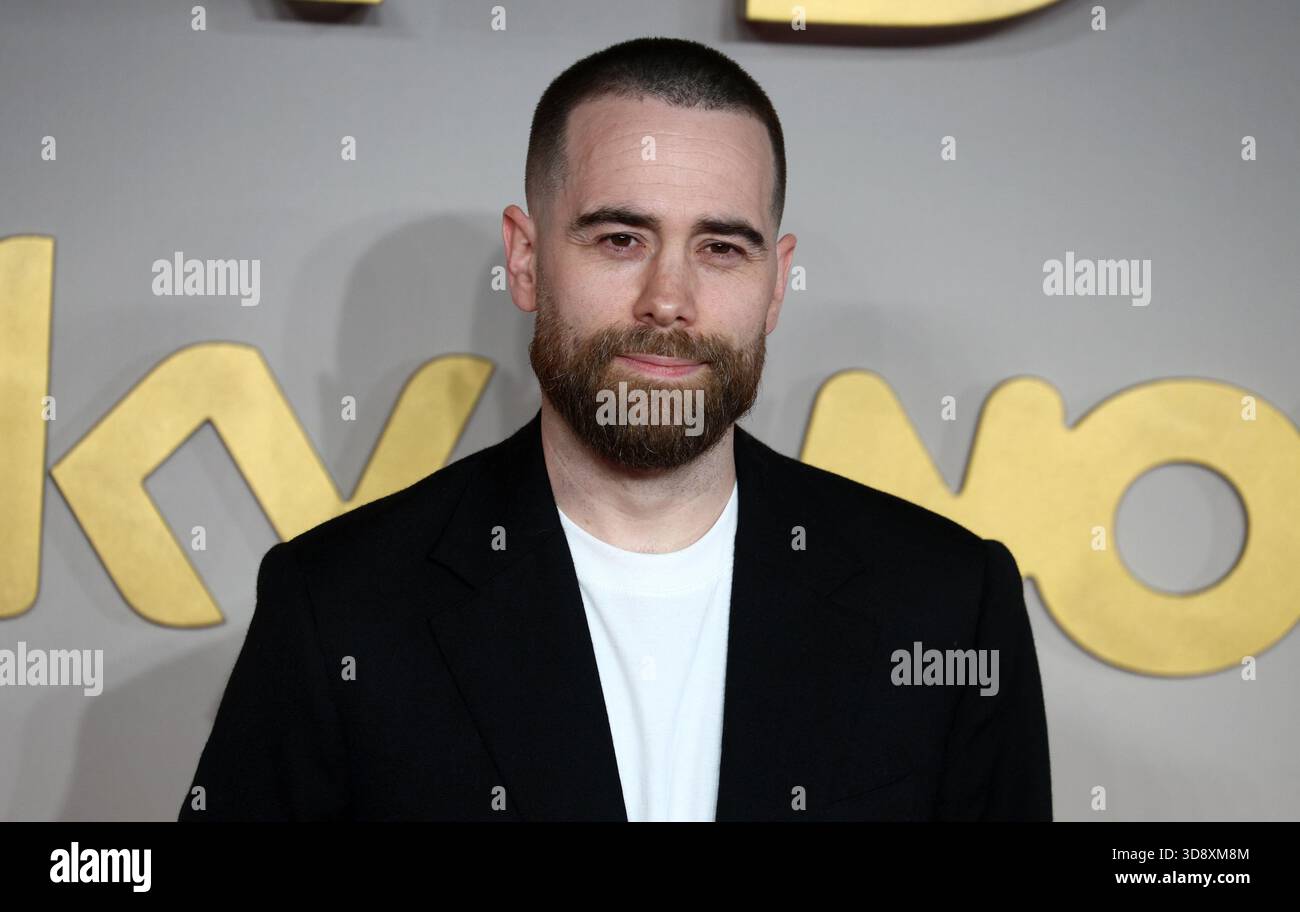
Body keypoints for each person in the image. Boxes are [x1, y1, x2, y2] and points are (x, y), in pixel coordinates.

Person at [178, 36, 1051, 822]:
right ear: (526, 259)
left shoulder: (948, 606)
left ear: (777, 282)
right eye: (622, 239)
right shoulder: (340, 611)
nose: (668, 301)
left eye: (721, 248)